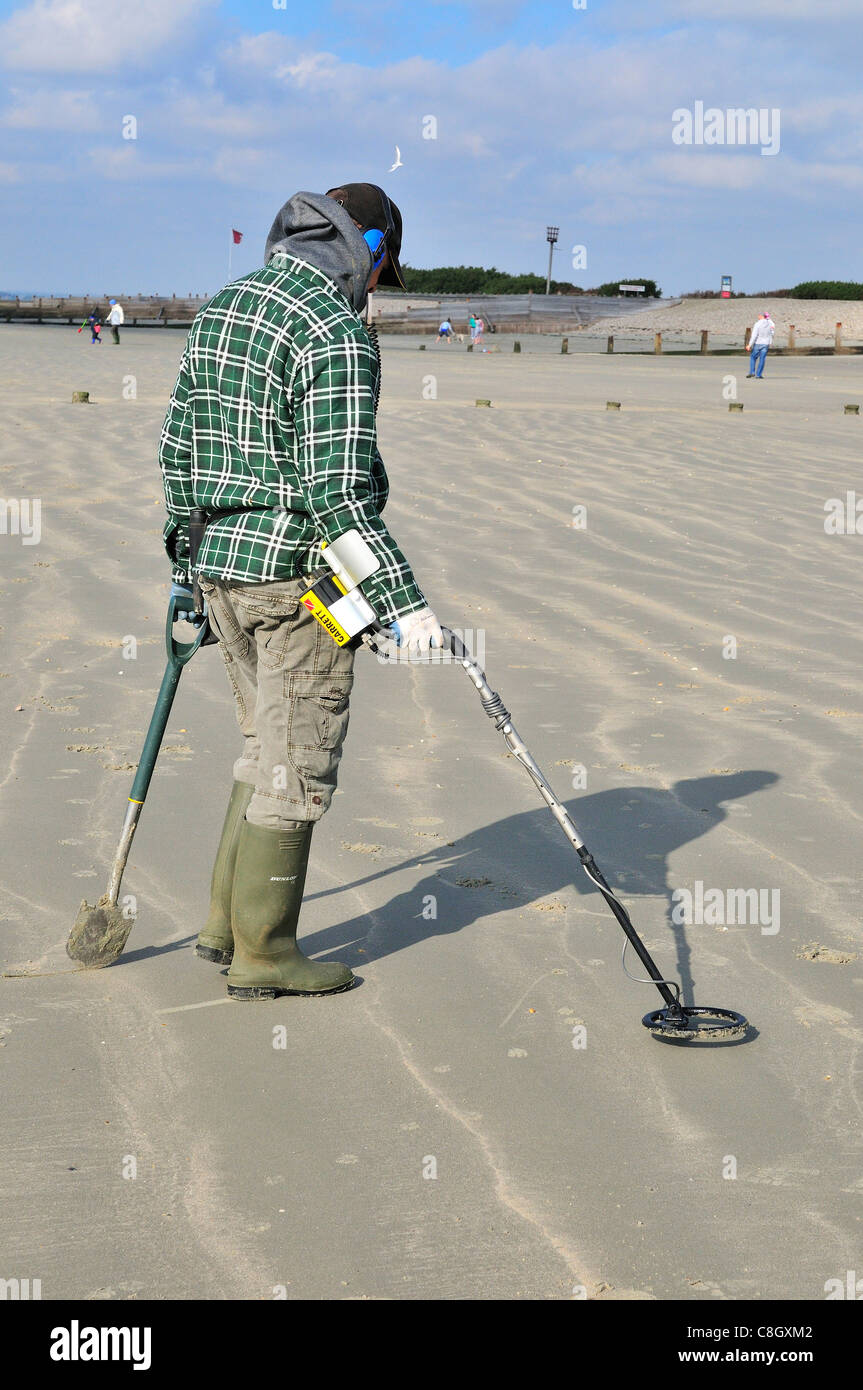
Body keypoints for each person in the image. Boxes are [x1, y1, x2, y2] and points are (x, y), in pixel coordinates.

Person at [159, 183, 443, 1001]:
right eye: (382, 272)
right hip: (295, 579)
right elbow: (339, 495)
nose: (375, 291)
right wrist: (404, 606)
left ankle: (222, 927)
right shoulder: (334, 328)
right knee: (298, 761)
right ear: (374, 252)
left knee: (264, 746)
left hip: (218, 567)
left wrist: (185, 571)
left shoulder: (228, 303)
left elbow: (176, 447)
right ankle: (266, 954)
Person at [746, 311, 775, 378]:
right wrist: (770, 342)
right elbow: (772, 333)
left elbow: (754, 335)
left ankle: (752, 372)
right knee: (762, 359)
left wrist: (749, 345)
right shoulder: (770, 323)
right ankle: (758, 374)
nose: (758, 317)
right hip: (766, 343)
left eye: (759, 315)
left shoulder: (758, 324)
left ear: (761, 316)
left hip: (758, 343)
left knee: (753, 357)